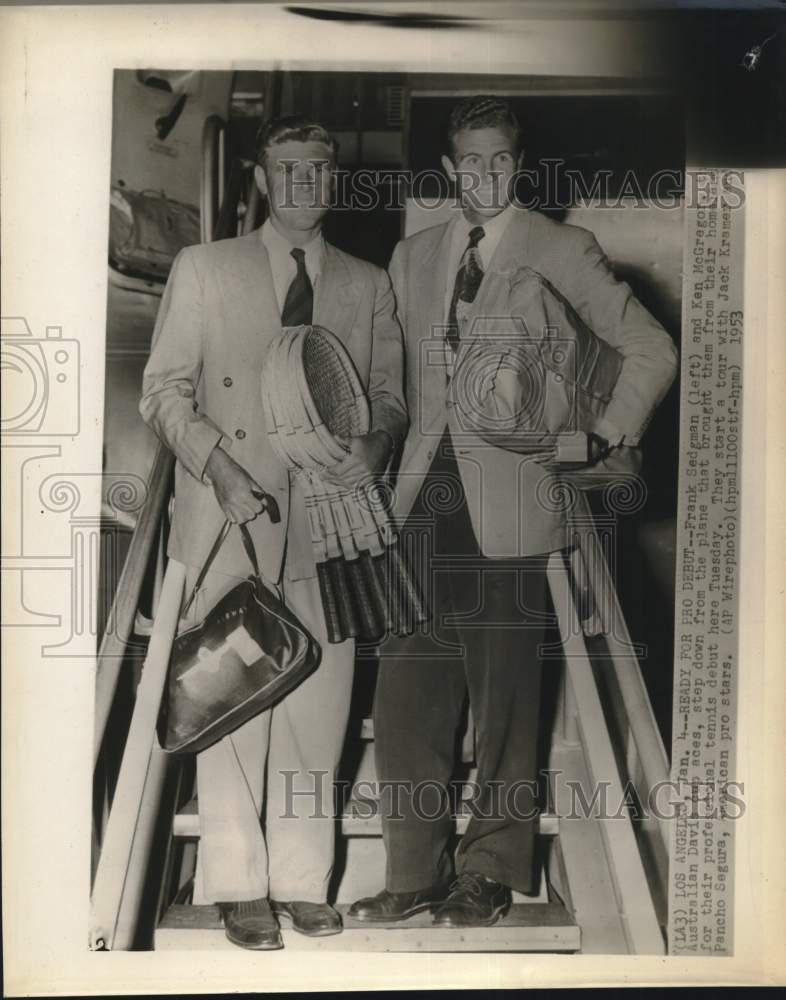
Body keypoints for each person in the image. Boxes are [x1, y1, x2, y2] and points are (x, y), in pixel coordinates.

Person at [349, 95, 678, 928]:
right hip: (423, 496)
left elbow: (653, 347)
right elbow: (393, 379)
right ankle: (413, 870)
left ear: (518, 164)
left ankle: (489, 870)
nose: (487, 176)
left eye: (502, 160)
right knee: (405, 693)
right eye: (472, 161)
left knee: (507, 699)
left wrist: (600, 439)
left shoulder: (562, 247)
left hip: (516, 498)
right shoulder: (412, 256)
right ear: (450, 169)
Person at [140, 114, 407, 949]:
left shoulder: (369, 282)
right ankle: (239, 886)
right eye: (287, 168)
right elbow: (164, 392)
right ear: (261, 177)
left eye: (319, 168)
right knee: (232, 701)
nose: (304, 182)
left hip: (333, 526)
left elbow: (394, 399)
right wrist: (219, 467)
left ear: (335, 179)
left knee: (319, 711)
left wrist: (377, 441)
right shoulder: (204, 268)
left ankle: (300, 881)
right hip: (231, 521)